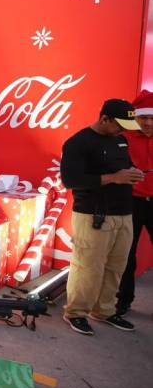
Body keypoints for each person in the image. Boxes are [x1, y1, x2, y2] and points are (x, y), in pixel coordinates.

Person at [60, 98, 143, 335]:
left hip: (124, 212)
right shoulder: (78, 142)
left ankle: (104, 311)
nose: (122, 131)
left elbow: (122, 168)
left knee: (117, 266)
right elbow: (71, 180)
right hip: (93, 214)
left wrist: (133, 174)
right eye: (119, 125)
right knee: (88, 267)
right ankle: (76, 312)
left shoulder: (120, 139)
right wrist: (114, 178)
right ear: (104, 118)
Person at [116, 90, 153, 315]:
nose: (148, 122)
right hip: (130, 203)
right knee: (125, 254)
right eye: (143, 117)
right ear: (135, 118)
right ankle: (123, 301)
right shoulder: (122, 138)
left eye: (152, 118)